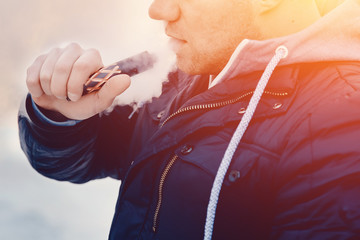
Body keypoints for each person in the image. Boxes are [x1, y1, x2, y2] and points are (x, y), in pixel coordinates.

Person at [18, 0, 360, 239]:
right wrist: (57, 116)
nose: (157, 9)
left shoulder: (343, 118)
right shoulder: (177, 69)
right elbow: (75, 162)